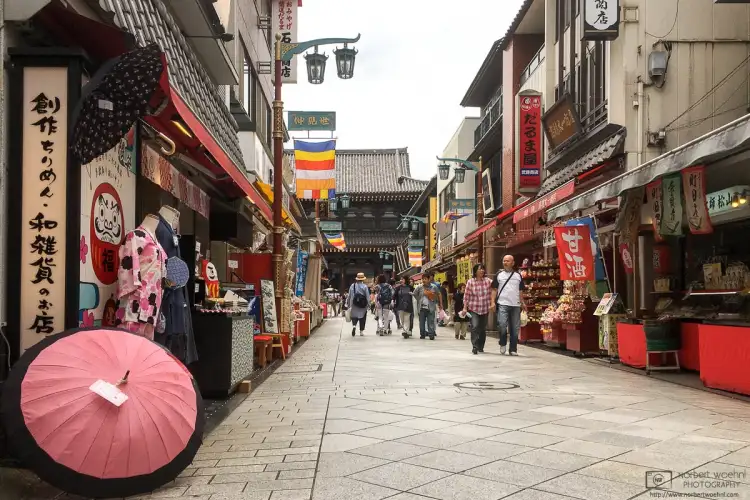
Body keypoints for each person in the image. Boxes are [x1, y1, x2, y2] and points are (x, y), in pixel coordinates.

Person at [491, 254, 526, 355]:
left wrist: (522, 302)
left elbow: (520, 291)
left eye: (507, 261)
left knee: (515, 328)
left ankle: (513, 349)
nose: (505, 262)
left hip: (515, 305)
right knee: (502, 325)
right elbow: (494, 289)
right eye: (504, 261)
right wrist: (492, 302)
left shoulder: (518, 276)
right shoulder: (499, 275)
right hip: (502, 304)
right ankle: (503, 343)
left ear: (513, 263)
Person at [463, 264, 493, 355]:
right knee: (475, 326)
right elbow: (466, 296)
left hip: (484, 308)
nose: (482, 271)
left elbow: (496, 286)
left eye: (483, 269)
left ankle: (481, 346)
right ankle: (475, 346)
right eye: (480, 269)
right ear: (475, 271)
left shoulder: (488, 281)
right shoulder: (470, 282)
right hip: (474, 308)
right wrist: (465, 307)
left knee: (482, 328)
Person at [413, 274, 443, 340]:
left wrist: (440, 304)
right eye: (423, 279)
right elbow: (414, 294)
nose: (424, 280)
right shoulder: (419, 287)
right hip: (421, 308)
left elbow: (439, 294)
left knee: (431, 322)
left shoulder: (434, 287)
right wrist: (419, 299)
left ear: (429, 279)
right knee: (422, 323)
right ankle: (422, 334)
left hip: (431, 307)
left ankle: (431, 334)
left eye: (425, 279)